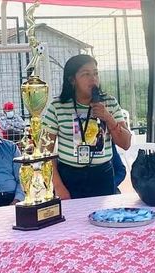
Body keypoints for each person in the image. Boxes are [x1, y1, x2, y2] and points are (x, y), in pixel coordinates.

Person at [42, 54, 131, 199]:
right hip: (69, 177)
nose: (93, 78)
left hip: (103, 176)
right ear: (72, 80)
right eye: (86, 74)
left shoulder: (110, 103)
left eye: (95, 73)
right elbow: (45, 150)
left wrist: (108, 117)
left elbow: (126, 143)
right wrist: (57, 186)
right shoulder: (57, 106)